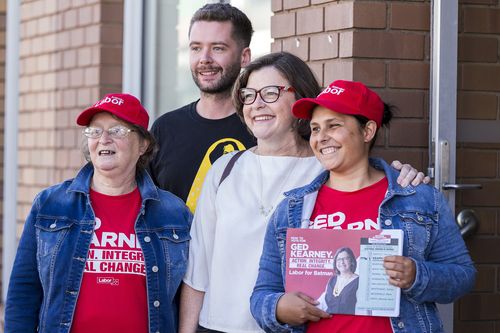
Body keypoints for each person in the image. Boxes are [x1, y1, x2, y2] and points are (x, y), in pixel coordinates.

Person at [179, 52, 428, 333]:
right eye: (249, 95)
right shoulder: (225, 169)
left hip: (292, 327)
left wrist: (401, 177)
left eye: (271, 93)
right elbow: (197, 270)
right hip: (219, 325)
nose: (257, 104)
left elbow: (373, 187)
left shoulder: (327, 169)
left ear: (301, 99)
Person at [250, 80, 476, 333]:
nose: (321, 138)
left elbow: (462, 276)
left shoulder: (419, 199)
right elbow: (262, 294)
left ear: (367, 131)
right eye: (315, 129)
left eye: (333, 126)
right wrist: (278, 307)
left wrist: (417, 275)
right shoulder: (291, 209)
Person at [5, 94, 192, 333]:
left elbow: (189, 294)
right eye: (95, 131)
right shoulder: (51, 205)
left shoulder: (173, 213)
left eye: (116, 131)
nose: (104, 139)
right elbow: (23, 291)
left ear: (143, 144)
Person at [148, 3, 255, 212]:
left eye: (218, 48)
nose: (204, 59)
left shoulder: (260, 127)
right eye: (196, 48)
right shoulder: (165, 129)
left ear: (244, 57)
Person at [316, 247, 359, 315]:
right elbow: (323, 303)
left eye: (345, 258)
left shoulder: (358, 282)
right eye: (338, 259)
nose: (342, 262)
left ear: (351, 261)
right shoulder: (332, 280)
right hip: (328, 320)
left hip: (348, 321)